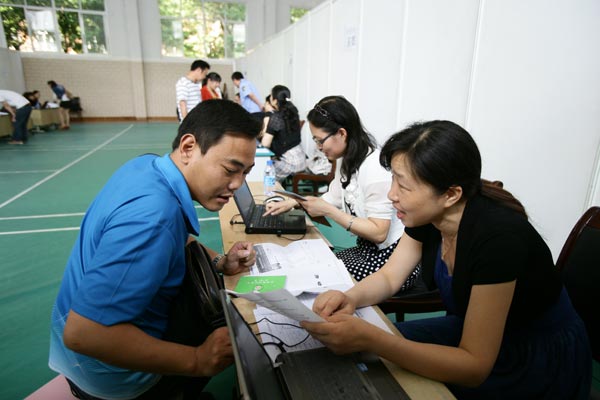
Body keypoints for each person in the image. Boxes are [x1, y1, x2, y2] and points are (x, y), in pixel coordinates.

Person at [301, 120, 592, 399]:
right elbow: (391, 276)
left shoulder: (497, 239)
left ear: (451, 194)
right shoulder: (427, 215)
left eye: (403, 186)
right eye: (393, 180)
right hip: (474, 331)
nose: (391, 195)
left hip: (531, 354)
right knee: (361, 354)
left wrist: (374, 340)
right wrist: (350, 298)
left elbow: (475, 366)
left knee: (379, 356)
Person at [49, 100, 263, 399]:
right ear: (189, 147)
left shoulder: (149, 167)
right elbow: (84, 334)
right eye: (230, 169)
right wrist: (197, 360)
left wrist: (220, 262)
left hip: (76, 361)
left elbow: (180, 237)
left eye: (246, 172)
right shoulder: (152, 217)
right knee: (242, 333)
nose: (237, 184)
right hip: (108, 377)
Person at [265, 96, 419, 287]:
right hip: (367, 250)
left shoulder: (374, 168)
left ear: (342, 133)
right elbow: (334, 197)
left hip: (392, 257)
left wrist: (329, 211)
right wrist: (294, 202)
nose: (319, 147)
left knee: (324, 277)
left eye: (320, 141)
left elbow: (379, 233)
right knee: (319, 265)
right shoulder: (347, 159)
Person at [258, 85, 306, 181]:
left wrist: (268, 113)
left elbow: (265, 144)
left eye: (271, 96)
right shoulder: (294, 112)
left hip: (290, 163)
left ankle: (270, 193)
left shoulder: (276, 117)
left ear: (275, 101)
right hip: (301, 159)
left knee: (262, 172)